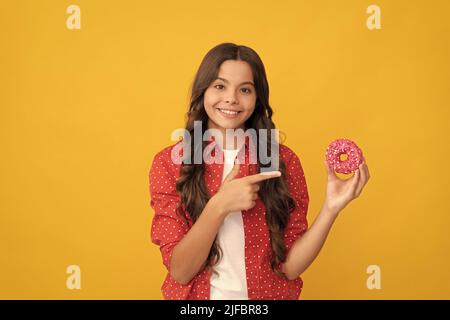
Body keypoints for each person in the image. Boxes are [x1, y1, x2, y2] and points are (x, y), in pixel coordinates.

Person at [149, 42, 370, 300]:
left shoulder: (283, 161)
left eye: (245, 89)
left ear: (257, 98)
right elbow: (180, 271)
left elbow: (288, 267)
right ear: (203, 91)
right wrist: (219, 205)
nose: (231, 98)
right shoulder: (170, 163)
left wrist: (331, 208)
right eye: (219, 86)